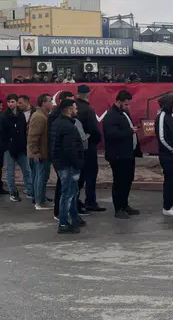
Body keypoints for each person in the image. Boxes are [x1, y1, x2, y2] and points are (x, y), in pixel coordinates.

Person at [103, 90, 141, 219]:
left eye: (129, 105)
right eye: (126, 104)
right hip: (118, 155)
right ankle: (118, 208)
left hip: (128, 153)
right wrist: (129, 131)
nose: (128, 107)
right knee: (119, 182)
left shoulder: (123, 113)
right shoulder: (111, 115)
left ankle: (125, 204)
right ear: (118, 102)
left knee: (127, 180)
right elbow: (110, 134)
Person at [50, 99, 86, 234]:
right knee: (68, 194)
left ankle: (74, 217)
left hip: (62, 163)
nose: (77, 111)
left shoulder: (58, 123)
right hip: (68, 165)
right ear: (69, 110)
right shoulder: (67, 126)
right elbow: (69, 148)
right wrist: (78, 163)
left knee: (72, 191)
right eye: (75, 108)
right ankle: (64, 223)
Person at [74, 85, 105, 213]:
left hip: (76, 146)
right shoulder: (87, 109)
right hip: (89, 146)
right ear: (88, 94)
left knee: (78, 176)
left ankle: (75, 200)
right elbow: (94, 129)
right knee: (90, 175)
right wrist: (96, 141)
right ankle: (90, 201)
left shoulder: (74, 108)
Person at [0, 94, 33, 202]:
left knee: (27, 171)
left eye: (12, 101)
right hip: (9, 148)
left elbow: (23, 131)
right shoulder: (3, 116)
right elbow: (0, 133)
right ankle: (13, 192)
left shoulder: (21, 115)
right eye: (9, 102)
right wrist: (6, 145)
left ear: (17, 102)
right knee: (10, 172)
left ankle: (30, 191)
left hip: (21, 147)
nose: (10, 104)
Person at [27, 93, 54, 210]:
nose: (52, 103)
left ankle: (41, 198)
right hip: (40, 152)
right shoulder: (39, 117)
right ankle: (40, 201)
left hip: (43, 151)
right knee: (41, 176)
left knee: (41, 176)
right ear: (44, 103)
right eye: (50, 101)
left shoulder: (44, 115)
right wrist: (35, 152)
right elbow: (33, 136)